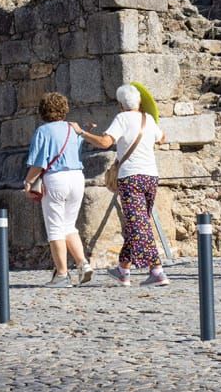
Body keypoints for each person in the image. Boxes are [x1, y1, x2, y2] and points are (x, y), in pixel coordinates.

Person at [72, 83, 169, 287]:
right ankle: (123, 270)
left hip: (131, 178)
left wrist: (82, 133)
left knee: (139, 225)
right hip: (151, 177)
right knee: (138, 224)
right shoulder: (148, 119)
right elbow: (162, 138)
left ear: (120, 104)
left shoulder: (122, 118)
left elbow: (106, 143)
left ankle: (157, 271)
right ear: (140, 102)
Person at [23, 92, 91, 287]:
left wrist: (28, 181)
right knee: (69, 225)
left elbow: (38, 163)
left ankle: (62, 274)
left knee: (55, 228)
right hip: (77, 177)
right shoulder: (72, 128)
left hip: (56, 179)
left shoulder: (43, 131)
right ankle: (82, 264)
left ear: (43, 111)